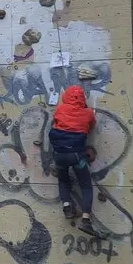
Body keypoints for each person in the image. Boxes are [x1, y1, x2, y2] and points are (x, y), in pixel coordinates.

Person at [48, 84, 97, 235]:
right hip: (77, 156)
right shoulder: (88, 113)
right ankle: (86, 220)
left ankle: (67, 207)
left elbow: (55, 122)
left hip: (60, 155)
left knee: (63, 181)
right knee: (86, 186)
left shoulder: (60, 109)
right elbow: (91, 125)